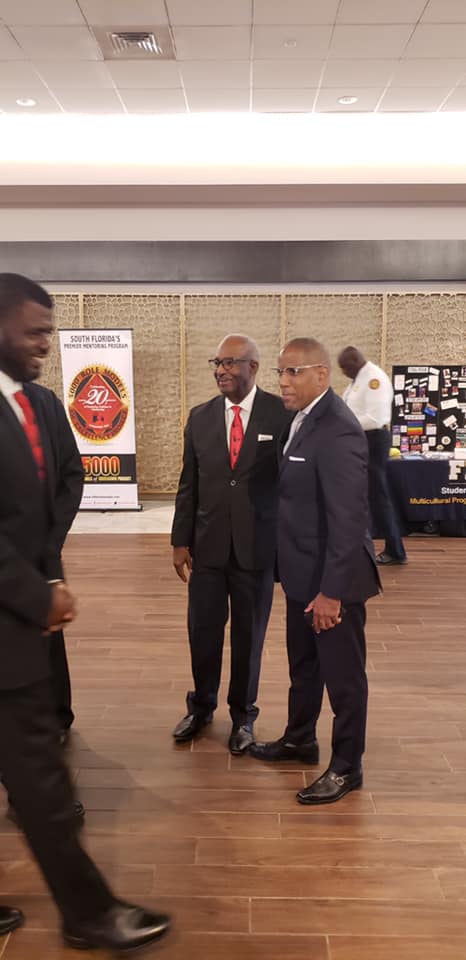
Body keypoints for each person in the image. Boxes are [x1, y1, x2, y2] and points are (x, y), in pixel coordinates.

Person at [0, 273, 170, 950]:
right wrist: (39, 593)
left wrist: (49, 570)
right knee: (40, 775)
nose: (47, 342)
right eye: (34, 330)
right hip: (11, 622)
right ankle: (89, 914)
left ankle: (87, 912)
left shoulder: (32, 403)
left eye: (50, 329)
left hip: (20, 621)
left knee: (38, 772)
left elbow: (38, 506)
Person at [250, 337, 380, 805]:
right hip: (302, 575)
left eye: (293, 372)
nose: (283, 381)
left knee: (344, 680)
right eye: (280, 372)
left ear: (322, 374)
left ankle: (347, 767)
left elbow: (348, 521)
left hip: (332, 583)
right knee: (304, 667)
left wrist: (331, 593)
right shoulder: (302, 419)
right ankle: (300, 738)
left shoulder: (338, 429)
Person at [171, 334, 291, 755]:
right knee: (202, 631)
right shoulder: (200, 417)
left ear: (253, 367)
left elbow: (291, 486)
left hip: (257, 549)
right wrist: (179, 541)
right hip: (207, 548)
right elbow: (189, 484)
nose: (221, 371)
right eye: (217, 363)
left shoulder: (281, 414)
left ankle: (243, 716)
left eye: (230, 363)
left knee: (248, 637)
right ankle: (201, 707)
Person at [338, 345, 407, 566]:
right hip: (360, 441)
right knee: (363, 495)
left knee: (378, 496)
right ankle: (360, 545)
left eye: (345, 367)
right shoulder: (358, 380)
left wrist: (343, 425)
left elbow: (374, 419)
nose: (343, 372)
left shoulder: (373, 379)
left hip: (373, 440)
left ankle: (396, 550)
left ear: (355, 361)